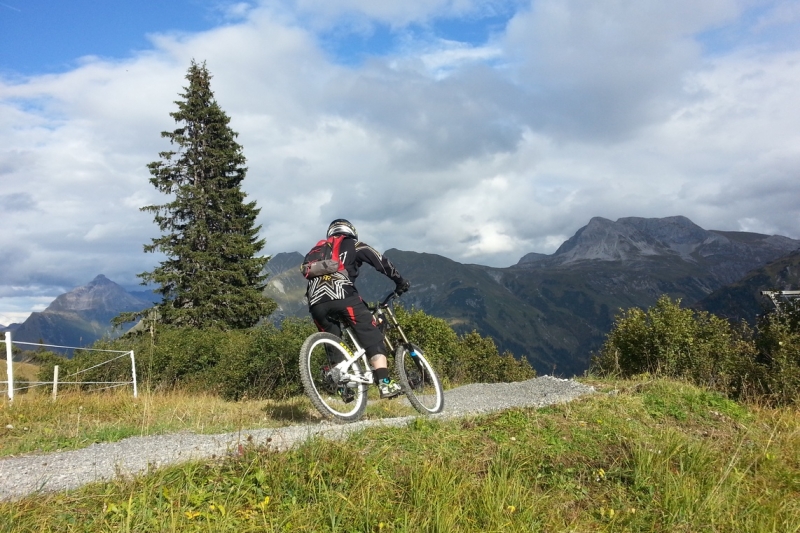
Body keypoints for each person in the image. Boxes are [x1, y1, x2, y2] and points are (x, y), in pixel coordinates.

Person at [305, 219, 411, 399]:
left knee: (332, 340)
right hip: (343, 296)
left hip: (315, 301)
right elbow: (380, 261)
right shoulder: (354, 244)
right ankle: (385, 384)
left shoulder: (314, 251)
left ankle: (341, 385)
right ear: (350, 231)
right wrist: (400, 282)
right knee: (371, 333)